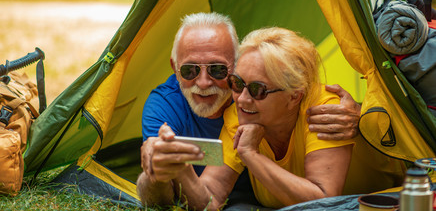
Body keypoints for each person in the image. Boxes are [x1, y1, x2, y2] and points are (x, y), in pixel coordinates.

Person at [136, 13, 361, 207]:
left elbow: (324, 203)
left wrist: (250, 155)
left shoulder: (325, 112)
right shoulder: (238, 115)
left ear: (295, 96)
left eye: (257, 89)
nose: (242, 99)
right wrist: (182, 168)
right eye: (238, 84)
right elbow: (210, 199)